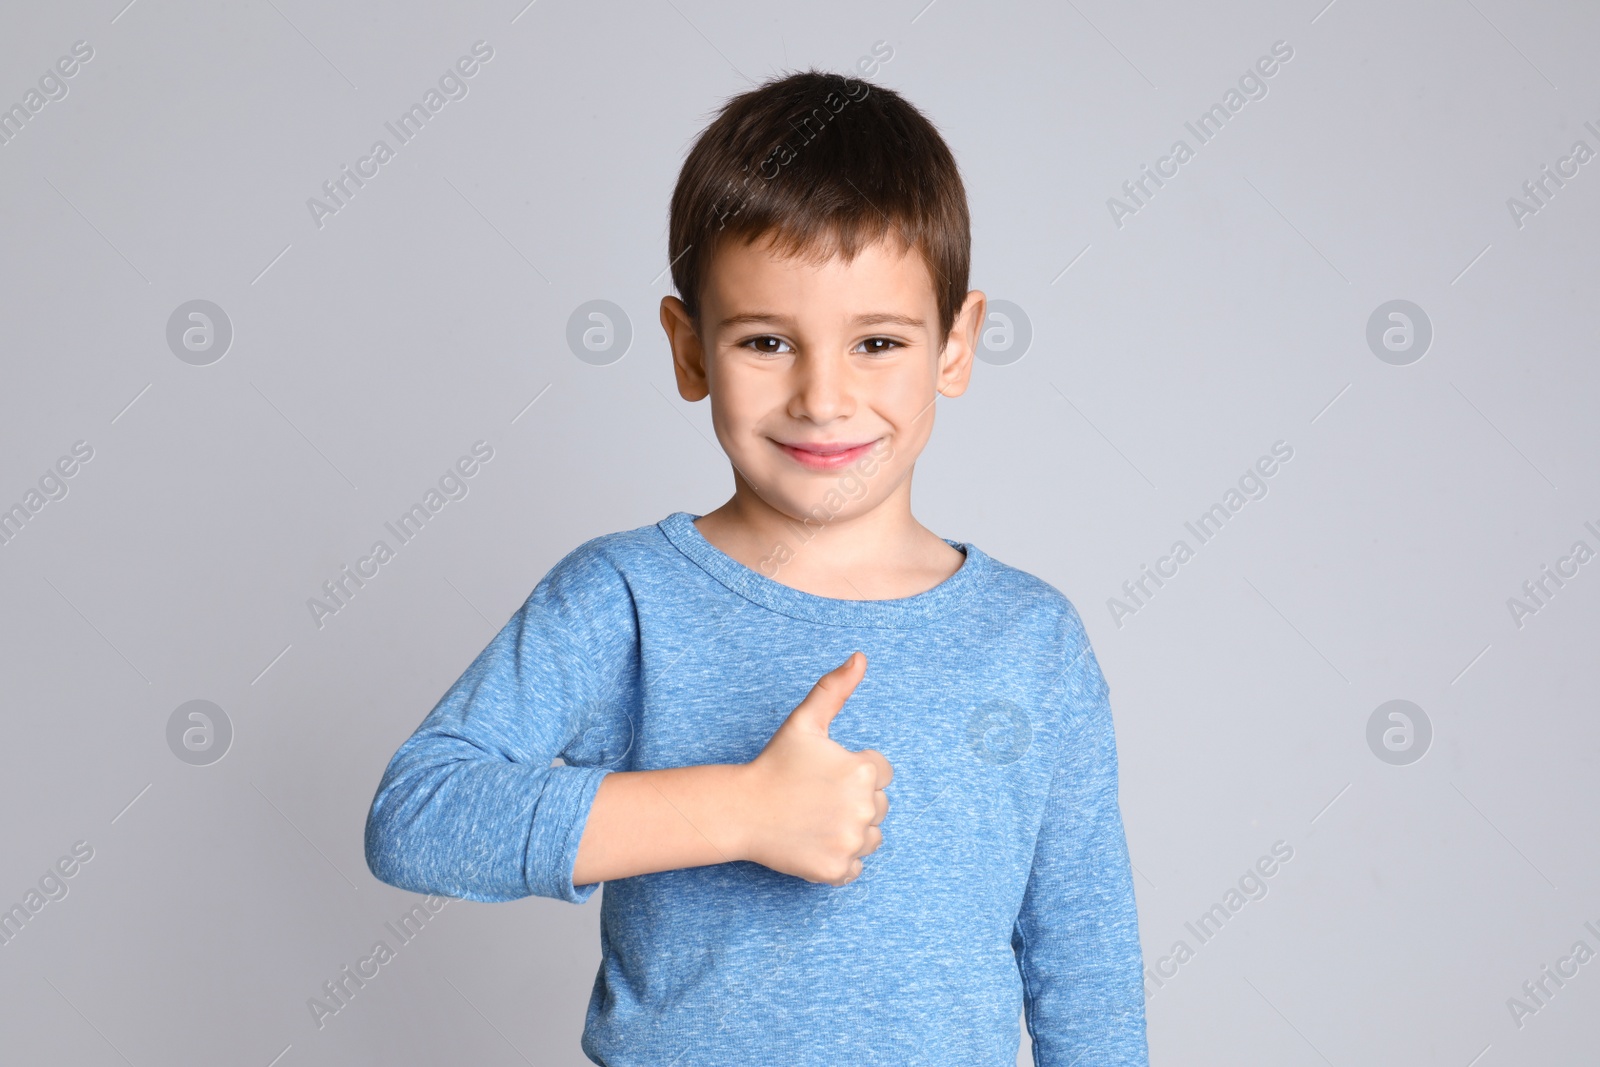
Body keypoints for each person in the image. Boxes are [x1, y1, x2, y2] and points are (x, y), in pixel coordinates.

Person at [364, 68, 1148, 1066]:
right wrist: (740, 809)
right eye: (767, 341)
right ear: (689, 349)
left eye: (876, 341)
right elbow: (418, 815)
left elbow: (1085, 967)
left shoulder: (1033, 640)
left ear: (955, 344)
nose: (824, 398)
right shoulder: (625, 601)